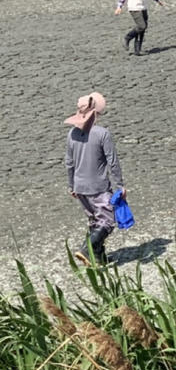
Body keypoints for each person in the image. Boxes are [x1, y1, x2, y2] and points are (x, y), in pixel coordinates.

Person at [64, 92, 126, 266]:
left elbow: (69, 163)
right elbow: (112, 162)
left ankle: (99, 258)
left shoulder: (71, 134)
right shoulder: (102, 134)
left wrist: (71, 185)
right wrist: (120, 185)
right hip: (97, 186)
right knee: (107, 221)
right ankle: (87, 249)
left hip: (79, 186)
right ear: (96, 113)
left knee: (94, 221)